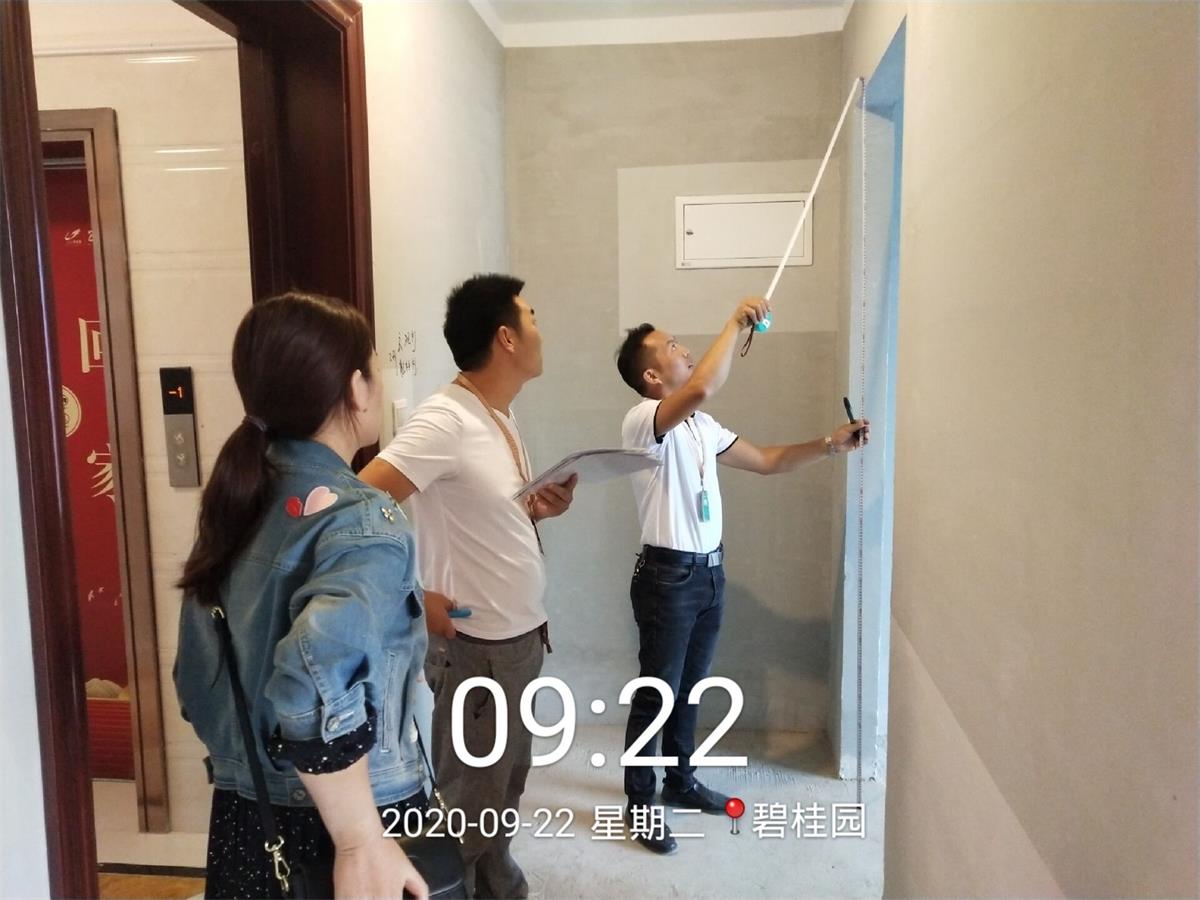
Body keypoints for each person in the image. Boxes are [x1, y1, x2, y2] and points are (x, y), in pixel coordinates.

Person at [174, 292, 430, 899]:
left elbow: (195, 680)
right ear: (356, 388)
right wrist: (360, 840)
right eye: (374, 368)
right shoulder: (364, 519)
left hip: (246, 817)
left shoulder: (237, 504)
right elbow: (311, 681)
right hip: (351, 818)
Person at [613, 297, 870, 855]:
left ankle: (680, 782)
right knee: (658, 694)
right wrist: (734, 322)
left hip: (709, 576)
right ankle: (640, 802)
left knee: (690, 690)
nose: (684, 349)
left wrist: (832, 444)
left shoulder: (701, 427)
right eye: (672, 346)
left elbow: (769, 460)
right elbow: (703, 385)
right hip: (667, 579)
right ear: (651, 376)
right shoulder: (642, 421)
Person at [360, 273, 576, 899]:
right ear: (505, 337)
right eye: (531, 317)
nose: (540, 330)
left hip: (518, 637)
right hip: (476, 648)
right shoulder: (446, 419)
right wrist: (410, 594)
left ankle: (495, 885)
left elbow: (476, 516)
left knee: (504, 787)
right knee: (469, 803)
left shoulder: (495, 414)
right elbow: (357, 506)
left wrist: (532, 511)